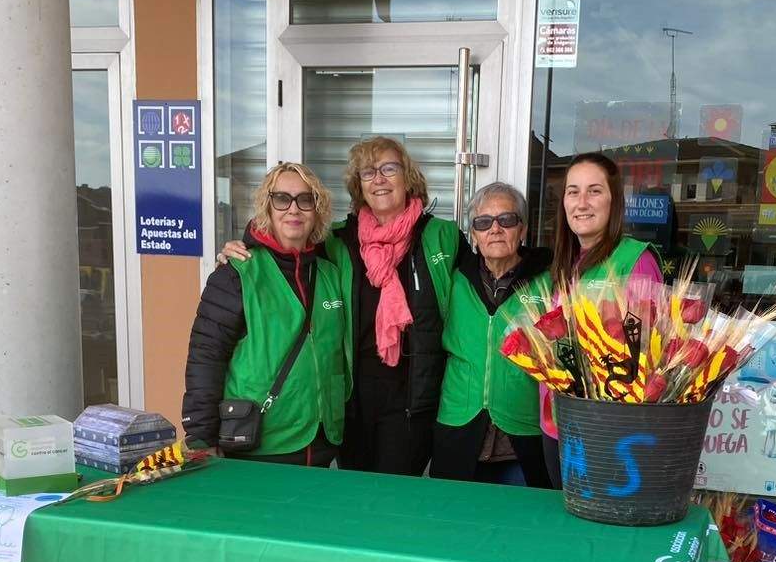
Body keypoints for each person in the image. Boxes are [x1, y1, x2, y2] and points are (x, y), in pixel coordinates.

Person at [221, 137, 459, 476]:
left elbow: (482, 278)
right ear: (358, 186)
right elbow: (286, 242)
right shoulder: (338, 240)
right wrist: (243, 245)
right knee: (354, 496)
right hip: (351, 399)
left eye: (389, 168)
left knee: (395, 495)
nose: (378, 179)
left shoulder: (442, 237)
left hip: (411, 400)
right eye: (368, 172)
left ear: (408, 178)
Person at [181, 161, 347, 467]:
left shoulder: (329, 272)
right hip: (260, 443)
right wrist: (201, 435)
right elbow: (206, 355)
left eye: (305, 199)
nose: (293, 209)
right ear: (267, 207)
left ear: (318, 209)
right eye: (282, 199)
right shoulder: (237, 273)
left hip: (322, 441)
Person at [531, 152, 662, 485]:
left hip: (607, 428)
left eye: (594, 191)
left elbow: (648, 353)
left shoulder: (635, 260)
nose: (582, 202)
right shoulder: (569, 262)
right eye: (573, 192)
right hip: (558, 421)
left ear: (614, 201)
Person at [431, 182, 554, 488]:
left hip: (522, 434)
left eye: (507, 220)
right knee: (457, 523)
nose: (495, 229)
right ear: (473, 234)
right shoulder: (454, 277)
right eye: (483, 223)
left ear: (522, 229)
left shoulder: (547, 280)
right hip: (460, 426)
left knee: (521, 528)